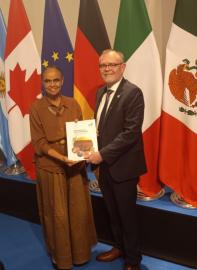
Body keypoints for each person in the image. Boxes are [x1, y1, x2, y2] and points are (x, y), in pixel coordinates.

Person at [29, 66, 97, 270]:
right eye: (48, 81)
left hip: (75, 166)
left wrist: (87, 136)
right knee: (57, 214)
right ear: (43, 82)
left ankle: (80, 254)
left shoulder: (73, 103)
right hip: (51, 167)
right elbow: (39, 143)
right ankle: (63, 258)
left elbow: (82, 134)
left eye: (56, 80)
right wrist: (62, 158)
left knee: (78, 211)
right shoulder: (36, 108)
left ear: (62, 80)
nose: (52, 84)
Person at [86, 49, 147, 270]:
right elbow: (101, 128)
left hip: (124, 167)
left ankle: (133, 260)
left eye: (112, 65)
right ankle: (119, 246)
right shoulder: (101, 92)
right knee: (112, 211)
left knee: (127, 216)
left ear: (123, 67)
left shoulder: (133, 93)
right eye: (103, 65)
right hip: (104, 167)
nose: (107, 69)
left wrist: (101, 154)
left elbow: (130, 133)